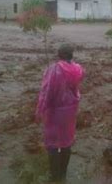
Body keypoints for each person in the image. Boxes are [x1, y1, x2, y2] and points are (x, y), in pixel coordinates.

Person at [35, 44, 84, 182]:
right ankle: (63, 174)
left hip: (55, 112)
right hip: (71, 110)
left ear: (59, 55)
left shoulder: (55, 69)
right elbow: (76, 89)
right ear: (71, 55)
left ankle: (54, 175)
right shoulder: (78, 69)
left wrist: (40, 110)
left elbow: (47, 92)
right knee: (67, 141)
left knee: (52, 143)